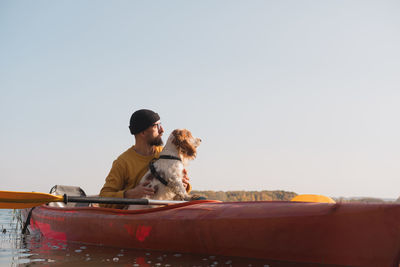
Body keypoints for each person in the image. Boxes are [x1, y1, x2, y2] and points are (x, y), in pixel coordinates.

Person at [99, 109, 191, 209]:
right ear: (143, 133)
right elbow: (103, 199)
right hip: (137, 219)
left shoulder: (166, 153)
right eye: (156, 126)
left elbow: (181, 189)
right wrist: (130, 194)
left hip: (166, 214)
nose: (162, 130)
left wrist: (186, 186)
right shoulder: (123, 162)